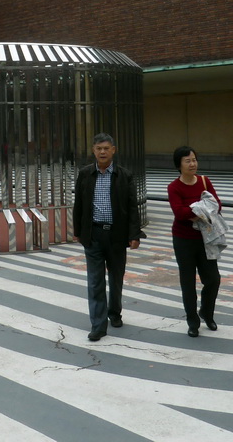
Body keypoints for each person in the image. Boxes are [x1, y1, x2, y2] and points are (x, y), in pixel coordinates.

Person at [71, 132, 144, 342]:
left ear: (113, 150)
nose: (102, 152)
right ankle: (98, 325)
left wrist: (134, 234)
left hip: (117, 236)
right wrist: (78, 231)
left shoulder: (124, 175)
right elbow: (79, 205)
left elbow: (132, 207)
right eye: (98, 148)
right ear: (93, 151)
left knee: (116, 278)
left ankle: (115, 313)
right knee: (95, 282)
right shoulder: (85, 174)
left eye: (106, 148)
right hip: (93, 234)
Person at [167, 146, 223, 337]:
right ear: (179, 165)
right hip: (183, 240)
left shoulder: (204, 181)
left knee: (213, 279)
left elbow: (216, 205)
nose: (192, 164)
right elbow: (180, 213)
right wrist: (201, 209)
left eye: (194, 160)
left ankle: (207, 313)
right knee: (188, 282)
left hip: (205, 238)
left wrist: (194, 211)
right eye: (187, 161)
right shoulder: (174, 187)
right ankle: (193, 322)